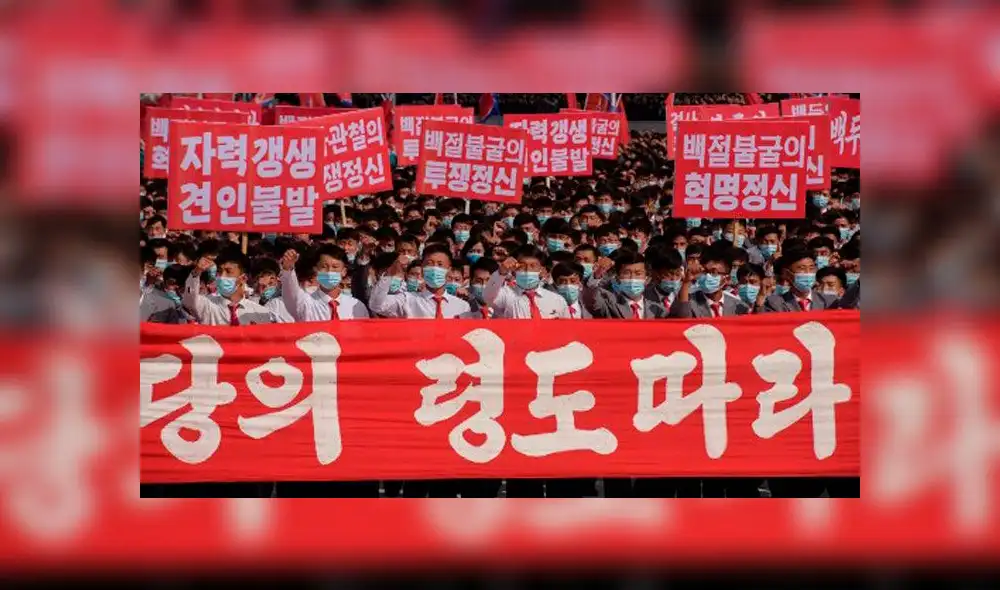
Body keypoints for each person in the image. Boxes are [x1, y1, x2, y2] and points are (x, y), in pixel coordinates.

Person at [369, 244, 471, 319]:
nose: (434, 268)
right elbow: (376, 305)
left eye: (440, 264)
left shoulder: (462, 306)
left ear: (449, 269)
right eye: (429, 263)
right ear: (422, 267)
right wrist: (391, 273)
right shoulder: (407, 300)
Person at [279, 245, 370, 321]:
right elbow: (290, 293)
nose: (329, 271)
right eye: (323, 266)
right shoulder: (306, 303)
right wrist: (288, 268)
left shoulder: (356, 306)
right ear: (316, 270)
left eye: (335, 267)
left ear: (344, 271)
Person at [184, 250, 273, 326]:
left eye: (228, 272)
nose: (222, 276)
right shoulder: (207, 304)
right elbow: (189, 300)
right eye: (219, 272)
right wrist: (196, 272)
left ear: (243, 278)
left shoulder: (260, 312)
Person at [483, 246, 569, 320]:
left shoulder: (557, 300)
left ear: (542, 270)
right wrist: (501, 272)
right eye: (522, 266)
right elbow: (487, 297)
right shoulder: (505, 294)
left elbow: (568, 330)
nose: (527, 270)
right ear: (514, 269)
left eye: (533, 266)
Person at [669, 246, 749, 318]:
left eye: (714, 272)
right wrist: (686, 283)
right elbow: (683, 320)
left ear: (727, 278)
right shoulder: (688, 301)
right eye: (705, 271)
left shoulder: (739, 307)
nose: (708, 276)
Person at [587, 251, 669, 319]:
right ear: (618, 279)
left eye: (638, 273)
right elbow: (590, 300)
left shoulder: (659, 310)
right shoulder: (608, 303)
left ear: (647, 279)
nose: (632, 278)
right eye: (626, 273)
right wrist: (598, 274)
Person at [761, 248, 837, 313]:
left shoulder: (830, 302)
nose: (808, 273)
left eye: (811, 268)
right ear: (786, 273)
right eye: (802, 268)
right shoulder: (775, 303)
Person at [253, 258, 294, 323]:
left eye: (270, 283)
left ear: (278, 280)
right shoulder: (253, 302)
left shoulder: (283, 303)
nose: (267, 289)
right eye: (263, 286)